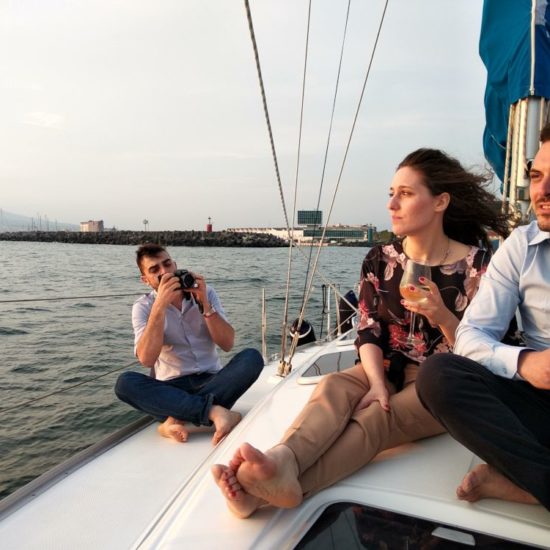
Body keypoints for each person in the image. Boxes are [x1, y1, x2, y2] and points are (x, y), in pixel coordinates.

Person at [211, 148, 511, 517]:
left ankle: (267, 493)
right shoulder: (380, 258)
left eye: (405, 193)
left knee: (376, 418)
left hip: (444, 383)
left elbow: (488, 352)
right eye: (391, 193)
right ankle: (282, 459)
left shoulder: (480, 267)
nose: (391, 204)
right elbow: (368, 329)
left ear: (440, 202)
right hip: (385, 365)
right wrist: (376, 383)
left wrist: (443, 317)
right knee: (332, 387)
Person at [416, 125, 550, 511]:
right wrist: (527, 363)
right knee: (439, 375)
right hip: (541, 400)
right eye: (537, 176)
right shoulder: (521, 247)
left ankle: (525, 483)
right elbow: (472, 334)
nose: (541, 191)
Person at [115, 243, 263, 445]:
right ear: (145, 280)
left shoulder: (206, 292)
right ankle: (214, 411)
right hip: (171, 387)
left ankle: (175, 419)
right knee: (125, 383)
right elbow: (146, 359)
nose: (164, 272)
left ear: (175, 265)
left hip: (212, 380)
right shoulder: (143, 307)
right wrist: (159, 307)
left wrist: (205, 305)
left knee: (252, 357)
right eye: (154, 270)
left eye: (167, 264)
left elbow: (227, 343)